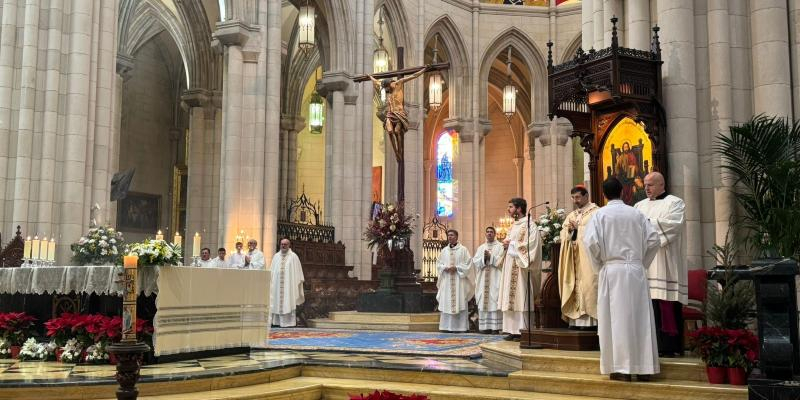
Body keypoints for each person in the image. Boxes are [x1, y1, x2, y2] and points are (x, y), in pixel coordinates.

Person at [583, 177, 660, 381]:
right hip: (635, 271)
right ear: (623, 192)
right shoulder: (637, 213)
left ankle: (621, 369)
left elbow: (591, 244)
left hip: (612, 270)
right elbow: (654, 240)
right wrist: (641, 262)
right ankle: (644, 369)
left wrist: (601, 265)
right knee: (639, 318)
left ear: (604, 194)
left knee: (615, 320)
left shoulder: (600, 215)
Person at [634, 171, 687, 357]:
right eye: (645, 185)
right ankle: (649, 346)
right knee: (648, 305)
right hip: (645, 263)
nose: (646, 188)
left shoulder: (675, 202)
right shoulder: (638, 206)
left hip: (665, 263)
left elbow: (673, 225)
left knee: (666, 303)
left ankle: (669, 346)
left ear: (661, 184)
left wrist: (645, 225)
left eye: (650, 184)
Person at [498, 197, 542, 340]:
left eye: (511, 207)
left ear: (519, 208)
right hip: (510, 264)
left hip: (521, 265)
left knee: (520, 295)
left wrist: (511, 245)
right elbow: (510, 243)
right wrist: (505, 245)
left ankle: (522, 330)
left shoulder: (530, 225)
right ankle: (511, 330)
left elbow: (531, 245)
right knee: (510, 298)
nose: (508, 210)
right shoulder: (513, 226)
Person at [558, 185, 600, 329]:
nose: (575, 200)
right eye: (573, 198)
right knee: (575, 285)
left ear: (586, 196)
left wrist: (579, 229)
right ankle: (575, 320)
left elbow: (597, 233)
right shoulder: (572, 215)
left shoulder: (596, 212)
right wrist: (569, 230)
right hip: (574, 258)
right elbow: (563, 234)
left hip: (588, 259)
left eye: (578, 197)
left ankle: (591, 322)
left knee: (589, 286)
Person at [436, 229, 475, 333]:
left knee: (459, 301)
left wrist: (457, 268)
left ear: (457, 237)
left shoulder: (463, 250)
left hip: (459, 281)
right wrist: (445, 268)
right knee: (447, 302)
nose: (450, 237)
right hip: (447, 280)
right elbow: (438, 264)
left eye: (452, 235)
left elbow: (468, 264)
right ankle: (446, 327)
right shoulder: (444, 251)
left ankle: (460, 327)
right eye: (448, 235)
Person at [472, 226, 505, 333]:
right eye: (487, 232)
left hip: (495, 278)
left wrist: (491, 257)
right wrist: (484, 258)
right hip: (483, 279)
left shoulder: (500, 246)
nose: (489, 233)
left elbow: (502, 261)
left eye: (491, 232)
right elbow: (475, 261)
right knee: (483, 301)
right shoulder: (481, 247)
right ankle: (485, 327)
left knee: (494, 300)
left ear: (495, 234)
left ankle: (495, 328)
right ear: (485, 234)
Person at [269, 238, 305, 327]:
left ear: (289, 245)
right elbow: (272, 271)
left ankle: (288, 322)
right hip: (277, 285)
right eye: (282, 244)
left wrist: (297, 282)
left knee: (288, 301)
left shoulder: (293, 256)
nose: (283, 246)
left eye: (285, 244)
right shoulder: (276, 256)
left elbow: (298, 272)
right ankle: (276, 322)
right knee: (276, 300)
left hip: (289, 285)